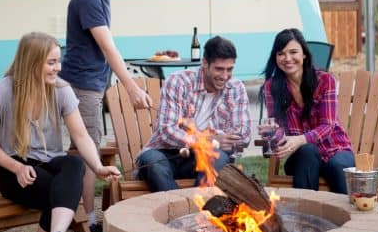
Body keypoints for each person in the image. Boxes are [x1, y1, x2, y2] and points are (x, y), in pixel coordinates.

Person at [0, 32, 120, 232]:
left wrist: (97, 166)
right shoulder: (3, 90)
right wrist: (16, 167)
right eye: (51, 62)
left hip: (50, 165)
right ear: (32, 63)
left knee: (74, 163)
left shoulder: (61, 90)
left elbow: (81, 136)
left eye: (58, 61)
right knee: (62, 188)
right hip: (16, 171)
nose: (58, 68)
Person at [59, 0, 152, 232]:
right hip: (83, 86)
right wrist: (131, 87)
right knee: (88, 155)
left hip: (91, 84)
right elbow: (107, 45)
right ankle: (87, 224)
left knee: (82, 152)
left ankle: (76, 218)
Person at [136, 36, 251, 192]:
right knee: (152, 162)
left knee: (219, 158)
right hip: (166, 153)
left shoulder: (236, 88)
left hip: (204, 158)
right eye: (219, 69)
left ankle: (196, 212)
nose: (225, 76)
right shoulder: (178, 82)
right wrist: (209, 139)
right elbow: (167, 130)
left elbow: (243, 135)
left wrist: (212, 143)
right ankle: (182, 210)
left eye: (229, 69)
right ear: (204, 64)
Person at [261, 28, 354, 194]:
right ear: (275, 57)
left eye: (293, 52)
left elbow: (328, 125)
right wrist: (272, 134)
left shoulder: (325, 81)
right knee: (308, 150)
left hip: (336, 148)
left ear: (304, 54)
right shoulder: (272, 87)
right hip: (304, 157)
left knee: (337, 166)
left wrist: (301, 139)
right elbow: (278, 126)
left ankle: (352, 217)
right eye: (281, 53)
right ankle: (304, 215)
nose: (287, 58)